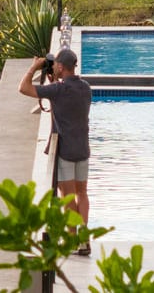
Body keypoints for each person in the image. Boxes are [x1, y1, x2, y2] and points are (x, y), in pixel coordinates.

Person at [19, 48, 92, 256]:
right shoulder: (86, 88)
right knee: (82, 194)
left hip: (66, 152)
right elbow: (63, 97)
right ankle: (84, 238)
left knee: (67, 197)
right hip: (83, 149)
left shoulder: (57, 91)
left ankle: (73, 239)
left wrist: (34, 66)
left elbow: (23, 88)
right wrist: (54, 80)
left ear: (60, 66)